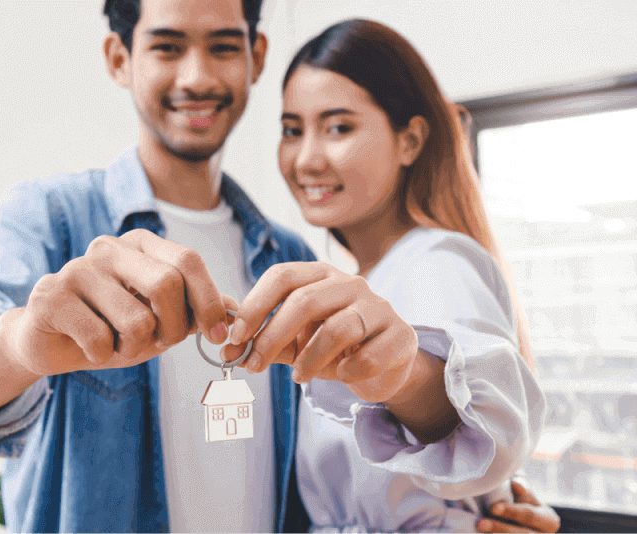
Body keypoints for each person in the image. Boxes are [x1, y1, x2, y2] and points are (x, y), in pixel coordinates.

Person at [0, 1, 559, 532]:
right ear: (118, 57)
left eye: (221, 45)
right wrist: (20, 340)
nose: (197, 78)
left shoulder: (292, 259)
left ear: (255, 55)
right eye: (166, 46)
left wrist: (468, 503)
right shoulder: (55, 217)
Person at [220, 18, 560, 533]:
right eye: (293, 130)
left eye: (339, 127)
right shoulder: (362, 277)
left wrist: (402, 375)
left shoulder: (436, 260)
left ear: (410, 140)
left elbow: (482, 421)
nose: (307, 158)